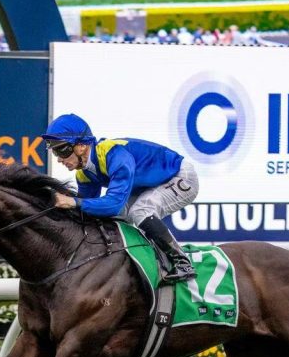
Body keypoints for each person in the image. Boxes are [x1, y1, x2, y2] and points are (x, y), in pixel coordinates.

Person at [43, 113, 198, 283]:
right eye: (54, 152)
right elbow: (86, 212)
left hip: (180, 176)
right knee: (115, 216)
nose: (58, 159)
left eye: (61, 150)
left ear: (81, 146)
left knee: (140, 211)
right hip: (148, 185)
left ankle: (182, 262)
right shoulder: (84, 173)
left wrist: (73, 201)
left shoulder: (115, 155)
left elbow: (114, 204)